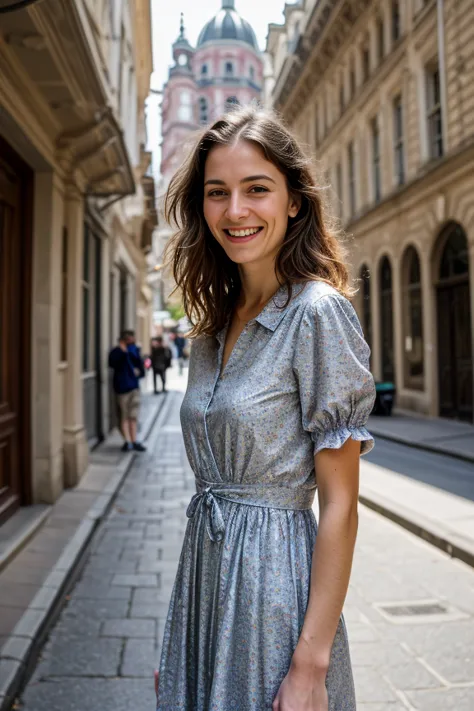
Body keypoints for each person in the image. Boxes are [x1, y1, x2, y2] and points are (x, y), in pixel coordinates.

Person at [155, 106, 375, 710]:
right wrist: (184, 638)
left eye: (257, 189)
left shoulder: (316, 313)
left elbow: (341, 506)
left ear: (294, 201)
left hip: (274, 592)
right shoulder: (209, 329)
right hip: (204, 581)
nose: (235, 211)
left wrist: (310, 665)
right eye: (216, 193)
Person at [108, 330, 146, 452]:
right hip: (122, 389)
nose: (130, 341)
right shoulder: (116, 352)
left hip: (134, 387)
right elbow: (112, 363)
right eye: (128, 339)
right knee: (124, 416)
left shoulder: (134, 351)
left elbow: (141, 368)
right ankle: (127, 441)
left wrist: (139, 372)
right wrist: (122, 351)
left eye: (131, 339)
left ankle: (134, 441)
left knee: (133, 416)